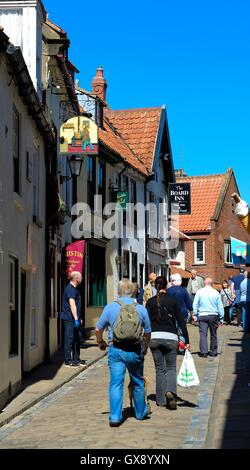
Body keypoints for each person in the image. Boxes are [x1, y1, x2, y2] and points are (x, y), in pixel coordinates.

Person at [95, 279, 151, 427]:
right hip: (135, 349)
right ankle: (140, 413)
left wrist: (100, 342)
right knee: (138, 381)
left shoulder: (110, 307)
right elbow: (148, 332)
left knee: (116, 383)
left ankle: (114, 416)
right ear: (133, 291)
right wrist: (145, 348)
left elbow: (98, 329)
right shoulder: (140, 308)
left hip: (116, 349)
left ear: (118, 291)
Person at [146, 276, 190, 410]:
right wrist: (187, 340)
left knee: (160, 369)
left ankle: (160, 400)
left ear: (155, 287)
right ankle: (171, 392)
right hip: (171, 338)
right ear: (167, 286)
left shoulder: (150, 302)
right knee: (171, 368)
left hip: (154, 338)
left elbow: (146, 323)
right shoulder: (173, 300)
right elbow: (181, 321)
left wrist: (145, 340)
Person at [193, 278, 224, 357]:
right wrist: (221, 317)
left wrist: (195, 313)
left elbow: (195, 304)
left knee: (203, 334)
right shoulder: (216, 292)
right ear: (212, 284)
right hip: (213, 315)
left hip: (202, 315)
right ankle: (213, 352)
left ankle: (204, 352)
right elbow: (220, 306)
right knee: (213, 334)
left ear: (204, 283)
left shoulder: (199, 292)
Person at [60, 271, 83, 367]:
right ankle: (68, 361)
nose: (81, 279)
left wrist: (79, 318)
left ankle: (76, 359)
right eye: (81, 277)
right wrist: (76, 319)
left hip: (74, 318)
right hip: (69, 318)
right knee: (69, 339)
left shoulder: (75, 289)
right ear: (76, 278)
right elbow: (72, 304)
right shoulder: (70, 289)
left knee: (77, 339)